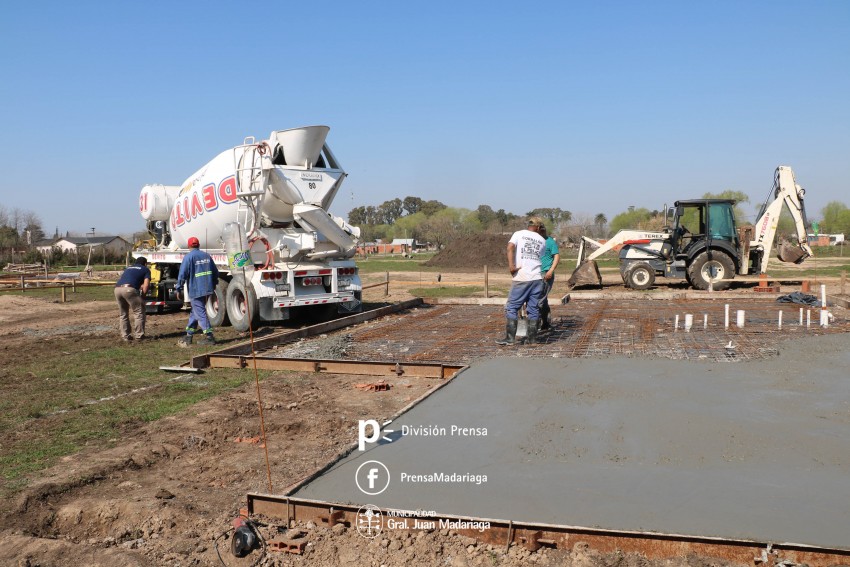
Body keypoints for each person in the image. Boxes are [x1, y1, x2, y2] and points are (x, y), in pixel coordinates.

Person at [496, 217, 546, 346]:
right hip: (537, 279)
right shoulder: (542, 240)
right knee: (533, 309)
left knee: (512, 307)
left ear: (528, 225)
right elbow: (538, 258)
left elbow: (510, 247)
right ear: (539, 228)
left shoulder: (519, 234)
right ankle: (532, 339)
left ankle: (510, 339)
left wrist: (511, 266)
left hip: (522, 277)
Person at [176, 236, 219, 347]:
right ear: (198, 245)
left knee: (200, 312)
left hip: (196, 290)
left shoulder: (188, 257)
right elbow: (215, 272)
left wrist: (178, 288)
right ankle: (189, 335)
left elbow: (182, 275)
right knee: (195, 311)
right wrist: (213, 284)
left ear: (189, 246)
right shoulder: (206, 256)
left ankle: (209, 336)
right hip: (208, 289)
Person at [114, 256, 151, 341]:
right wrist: (143, 296)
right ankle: (139, 336)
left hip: (117, 289)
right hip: (129, 289)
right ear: (145, 264)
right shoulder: (145, 269)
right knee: (139, 312)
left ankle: (125, 336)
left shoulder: (128, 268)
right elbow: (146, 285)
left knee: (123, 314)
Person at [538, 225, 560, 331]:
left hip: (546, 273)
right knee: (542, 299)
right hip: (535, 274)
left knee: (539, 300)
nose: (541, 232)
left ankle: (535, 325)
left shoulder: (550, 242)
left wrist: (550, 270)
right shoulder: (535, 241)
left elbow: (556, 256)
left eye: (543, 230)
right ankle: (546, 323)